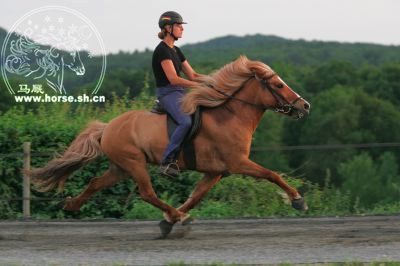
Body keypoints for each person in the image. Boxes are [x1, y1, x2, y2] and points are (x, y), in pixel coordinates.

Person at [152, 11, 203, 177]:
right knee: (185, 122)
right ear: (168, 28)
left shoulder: (177, 50)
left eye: (182, 26)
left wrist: (214, 81)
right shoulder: (162, 51)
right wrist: (196, 85)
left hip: (180, 91)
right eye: (179, 26)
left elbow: (193, 75)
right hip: (167, 93)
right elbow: (173, 79)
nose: (182, 29)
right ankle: (167, 162)